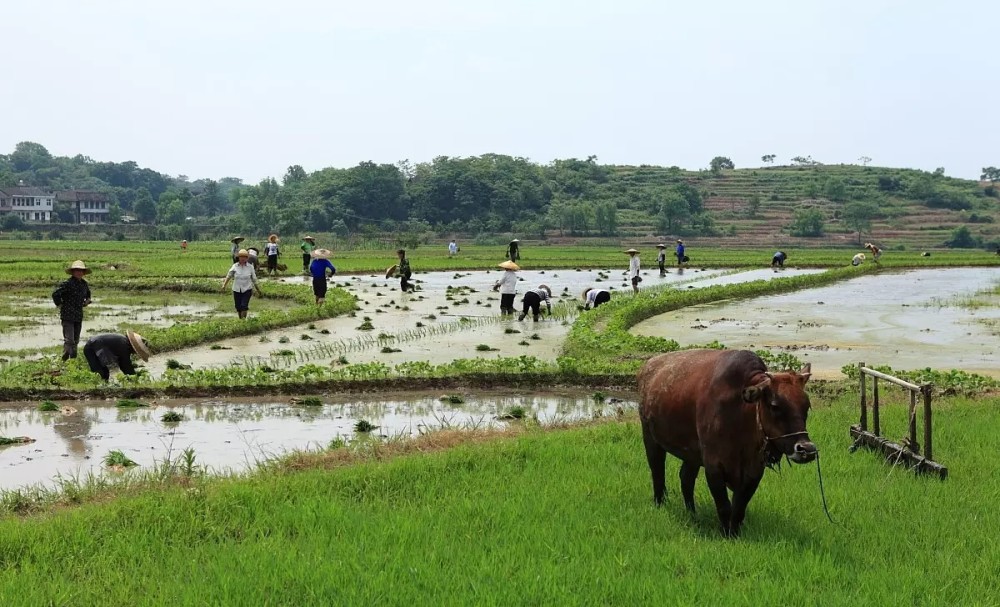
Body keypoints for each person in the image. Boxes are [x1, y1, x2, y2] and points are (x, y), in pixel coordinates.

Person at [52, 260, 92, 361]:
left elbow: (88, 295)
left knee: (76, 340)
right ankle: (64, 359)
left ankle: (73, 360)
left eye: (81, 271)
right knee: (69, 340)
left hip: (78, 315)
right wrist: (60, 305)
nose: (79, 272)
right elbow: (55, 294)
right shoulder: (67, 283)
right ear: (73, 272)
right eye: (77, 270)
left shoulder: (84, 284)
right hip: (67, 315)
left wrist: (87, 301)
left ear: (83, 272)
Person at [82, 330, 150, 382]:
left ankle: (102, 386)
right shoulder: (123, 346)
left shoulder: (123, 341)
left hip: (94, 345)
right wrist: (134, 379)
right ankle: (97, 388)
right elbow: (125, 365)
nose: (134, 353)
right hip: (91, 348)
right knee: (101, 373)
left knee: (104, 372)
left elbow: (124, 364)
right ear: (134, 348)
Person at [222, 249, 263, 319]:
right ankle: (241, 320)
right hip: (236, 289)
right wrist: (224, 285)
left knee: (244, 306)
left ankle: (243, 321)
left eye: (245, 257)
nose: (243, 258)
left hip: (247, 289)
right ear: (239, 258)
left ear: (247, 258)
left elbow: (254, 279)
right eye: (241, 257)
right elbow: (229, 276)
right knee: (238, 307)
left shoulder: (250, 267)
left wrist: (258, 289)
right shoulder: (235, 266)